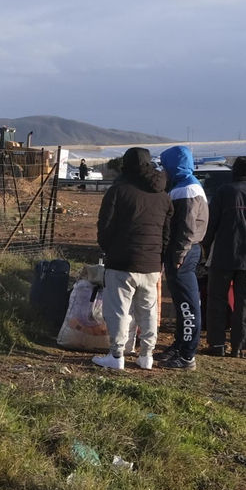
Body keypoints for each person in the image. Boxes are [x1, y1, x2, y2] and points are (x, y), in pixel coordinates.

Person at [93, 147, 173, 371]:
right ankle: (146, 355)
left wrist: (109, 249)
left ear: (125, 165)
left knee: (118, 309)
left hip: (121, 261)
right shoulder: (164, 196)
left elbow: (104, 226)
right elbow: (167, 232)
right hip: (151, 263)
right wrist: (159, 256)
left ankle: (116, 354)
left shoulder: (118, 191)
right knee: (148, 310)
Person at [202, 156, 246, 357]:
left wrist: (204, 248)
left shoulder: (224, 191)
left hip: (223, 256)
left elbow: (211, 225)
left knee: (217, 300)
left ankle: (217, 344)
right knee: (245, 303)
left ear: (234, 171)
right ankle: (239, 346)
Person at [156, 146, 208, 370]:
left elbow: (186, 227)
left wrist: (178, 254)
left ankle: (187, 355)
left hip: (184, 252)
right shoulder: (186, 184)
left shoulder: (186, 190)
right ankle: (180, 344)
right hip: (185, 250)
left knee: (187, 304)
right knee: (181, 302)